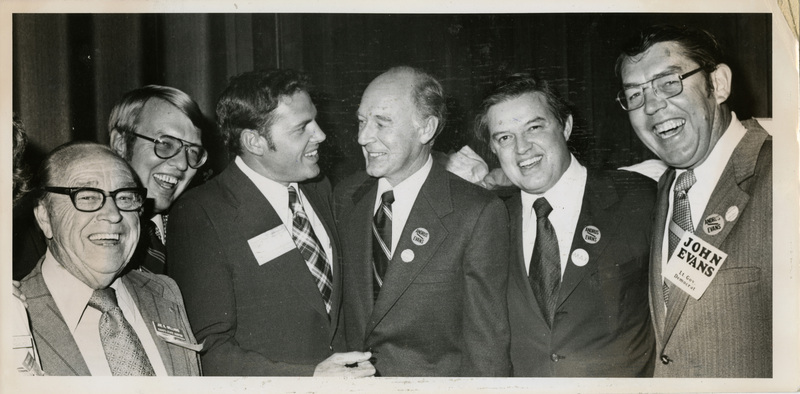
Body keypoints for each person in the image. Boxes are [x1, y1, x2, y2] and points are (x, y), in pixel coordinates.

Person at [167, 69, 374, 376]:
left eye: (314, 121)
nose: (320, 134)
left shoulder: (319, 187)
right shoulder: (202, 213)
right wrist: (310, 380)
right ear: (254, 142)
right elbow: (207, 352)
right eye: (302, 128)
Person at [616, 24, 772, 377]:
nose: (652, 106)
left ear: (718, 85)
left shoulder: (785, 175)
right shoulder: (667, 186)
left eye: (669, 83)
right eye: (635, 95)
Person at [334, 66, 511, 376]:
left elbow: (487, 348)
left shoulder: (476, 212)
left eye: (382, 123)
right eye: (362, 122)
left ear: (426, 128)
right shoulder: (346, 196)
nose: (363, 137)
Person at [475, 74, 656, 377]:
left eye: (534, 127)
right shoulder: (489, 219)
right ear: (494, 149)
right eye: (504, 137)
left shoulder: (638, 197)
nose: (522, 148)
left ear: (566, 126)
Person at [18, 141, 201, 376]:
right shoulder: (14, 314)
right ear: (44, 217)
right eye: (87, 197)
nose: (113, 215)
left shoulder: (165, 293)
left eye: (125, 197)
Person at [13, 85, 210, 278]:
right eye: (166, 144)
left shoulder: (196, 231)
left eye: (193, 152)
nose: (183, 164)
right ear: (121, 144)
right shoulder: (37, 229)